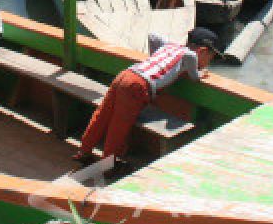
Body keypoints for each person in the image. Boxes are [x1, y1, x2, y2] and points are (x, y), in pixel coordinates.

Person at [71, 28, 219, 169]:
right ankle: (108, 166)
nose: (209, 62)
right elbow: (193, 70)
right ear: (202, 51)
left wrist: (156, 61)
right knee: (119, 125)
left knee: (102, 114)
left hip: (126, 74)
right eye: (210, 57)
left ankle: (84, 151)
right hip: (137, 86)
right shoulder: (190, 55)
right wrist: (201, 73)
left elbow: (153, 36)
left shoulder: (171, 46)